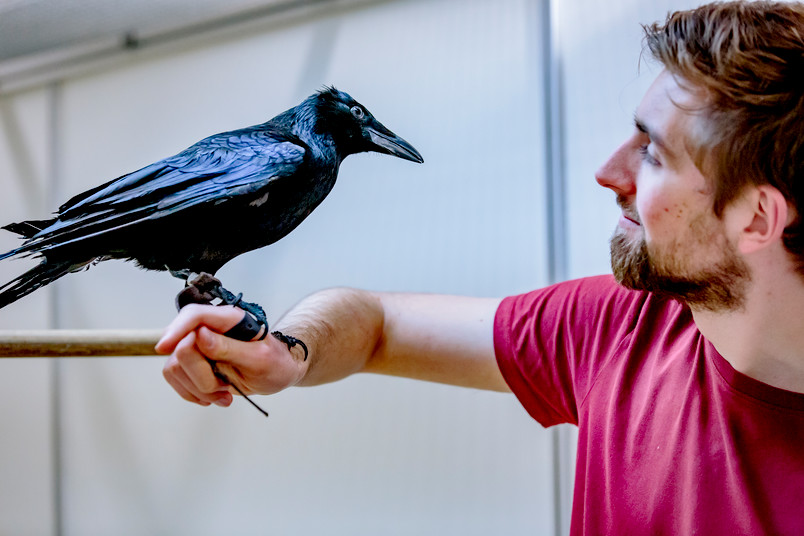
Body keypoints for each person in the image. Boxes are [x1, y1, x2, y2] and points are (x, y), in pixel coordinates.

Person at [157, 1, 804, 534]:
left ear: (756, 219)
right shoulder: (619, 329)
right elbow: (376, 323)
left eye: (654, 155)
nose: (609, 174)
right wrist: (288, 354)